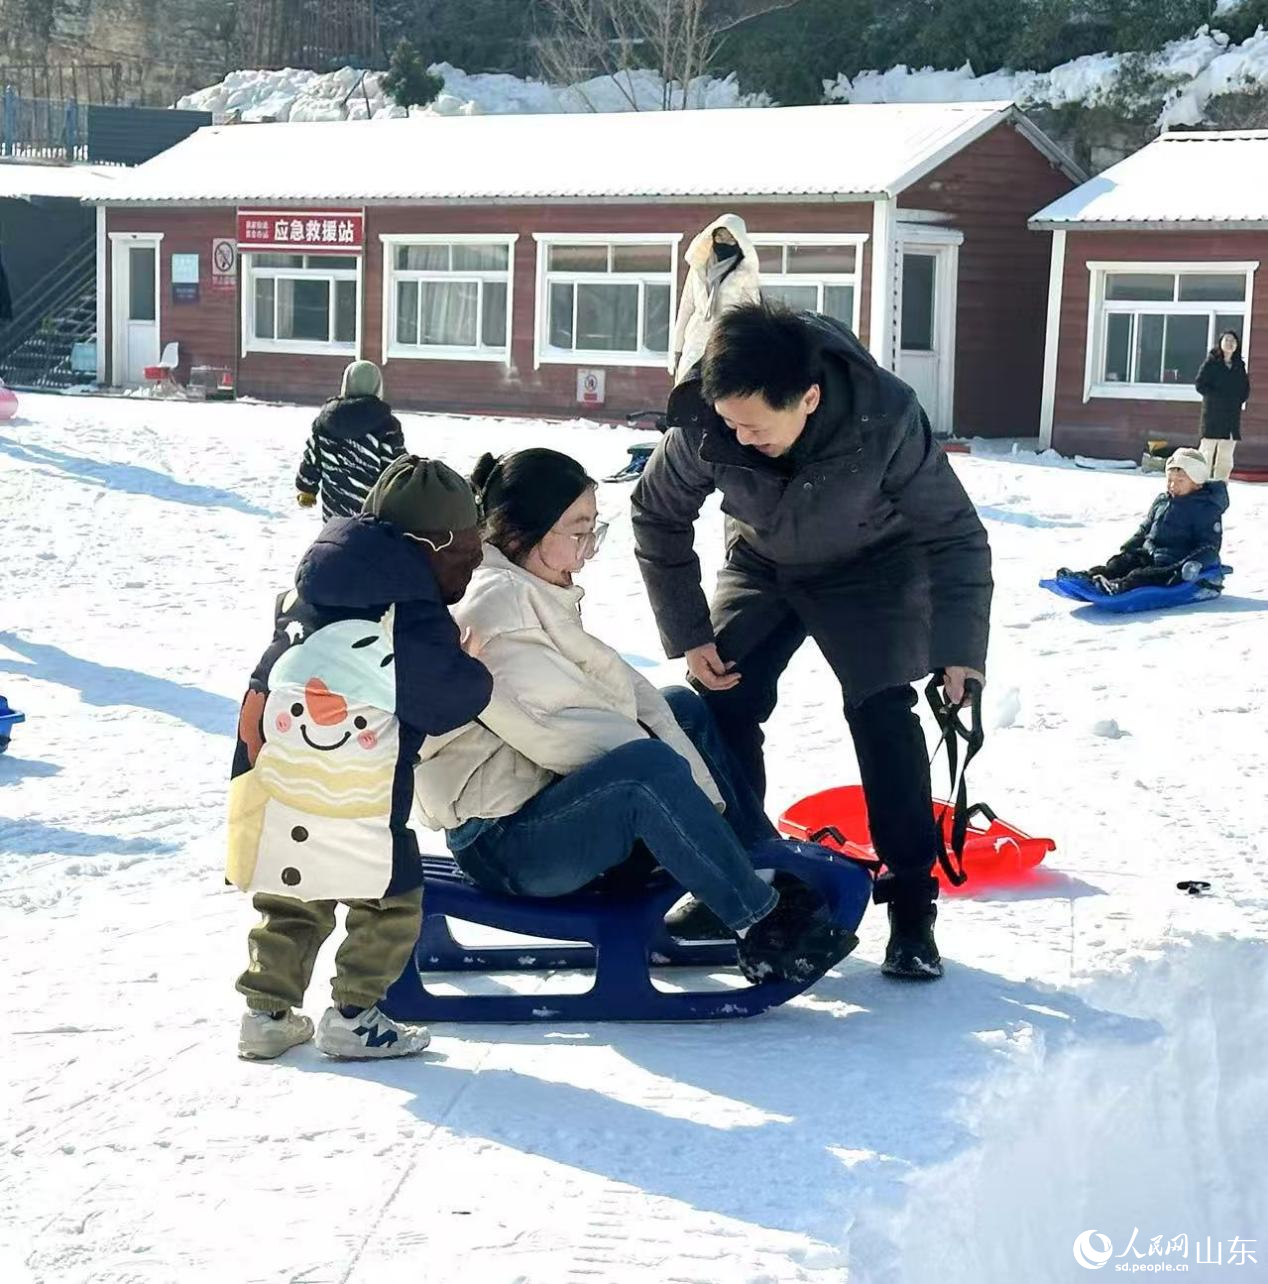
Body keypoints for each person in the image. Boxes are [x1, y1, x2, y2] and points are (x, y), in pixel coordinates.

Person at [632, 301, 994, 981]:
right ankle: (743, 876)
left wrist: (960, 649)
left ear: (809, 398)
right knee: (720, 700)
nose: (740, 439)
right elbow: (656, 512)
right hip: (762, 560)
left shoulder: (885, 415)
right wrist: (689, 632)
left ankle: (911, 902)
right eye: (731, 425)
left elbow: (954, 534)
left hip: (872, 566)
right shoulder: (708, 416)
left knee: (882, 709)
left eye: (756, 428)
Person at [413, 447, 856, 984]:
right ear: (523, 530)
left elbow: (609, 699)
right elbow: (560, 732)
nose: (588, 549)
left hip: (537, 801)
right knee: (646, 769)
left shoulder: (528, 584)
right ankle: (763, 924)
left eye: (592, 531)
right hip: (506, 843)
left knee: (680, 708)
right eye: (578, 532)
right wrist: (677, 783)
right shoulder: (498, 610)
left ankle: (757, 869)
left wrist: (685, 777)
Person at [229, 455, 492, 1061]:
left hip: (276, 779)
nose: (470, 567)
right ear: (433, 546)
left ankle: (265, 1014)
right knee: (388, 898)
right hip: (356, 789)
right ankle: (355, 1016)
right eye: (465, 554)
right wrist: (470, 664)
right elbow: (448, 700)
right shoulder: (409, 613)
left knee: (291, 893)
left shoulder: (311, 590)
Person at [1058, 448, 1228, 595]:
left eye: (1180, 481)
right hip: (1149, 553)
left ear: (1197, 483)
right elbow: (1146, 527)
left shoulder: (1205, 509)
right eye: (1169, 480)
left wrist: (1193, 565)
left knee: (1141, 576)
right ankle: (1089, 578)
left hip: (1174, 563)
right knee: (1120, 563)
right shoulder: (1163, 501)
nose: (1172, 485)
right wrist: (1132, 543)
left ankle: (1118, 587)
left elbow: (1209, 546)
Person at [296, 359, 406, 520]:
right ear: (378, 386)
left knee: (338, 535)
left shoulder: (326, 420)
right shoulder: (386, 424)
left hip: (334, 511)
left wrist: (306, 489)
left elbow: (312, 458)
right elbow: (394, 465)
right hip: (371, 511)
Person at [671, 214, 762, 386]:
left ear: (738, 241)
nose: (724, 242)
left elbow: (752, 316)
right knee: (687, 393)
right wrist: (676, 349)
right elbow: (686, 307)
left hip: (726, 347)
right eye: (720, 236)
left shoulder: (745, 273)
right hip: (695, 343)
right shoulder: (699, 267)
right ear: (712, 237)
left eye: (730, 238)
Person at [1195, 330, 1249, 482]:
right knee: (1206, 454)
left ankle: (1221, 486)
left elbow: (1245, 388)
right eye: (1227, 340)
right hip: (1212, 416)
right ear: (1220, 343)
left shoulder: (1239, 365)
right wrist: (1216, 398)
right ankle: (1200, 485)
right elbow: (1200, 384)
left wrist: (1237, 401)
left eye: (1233, 341)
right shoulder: (1212, 363)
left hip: (1231, 417)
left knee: (1225, 458)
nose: (1230, 343)